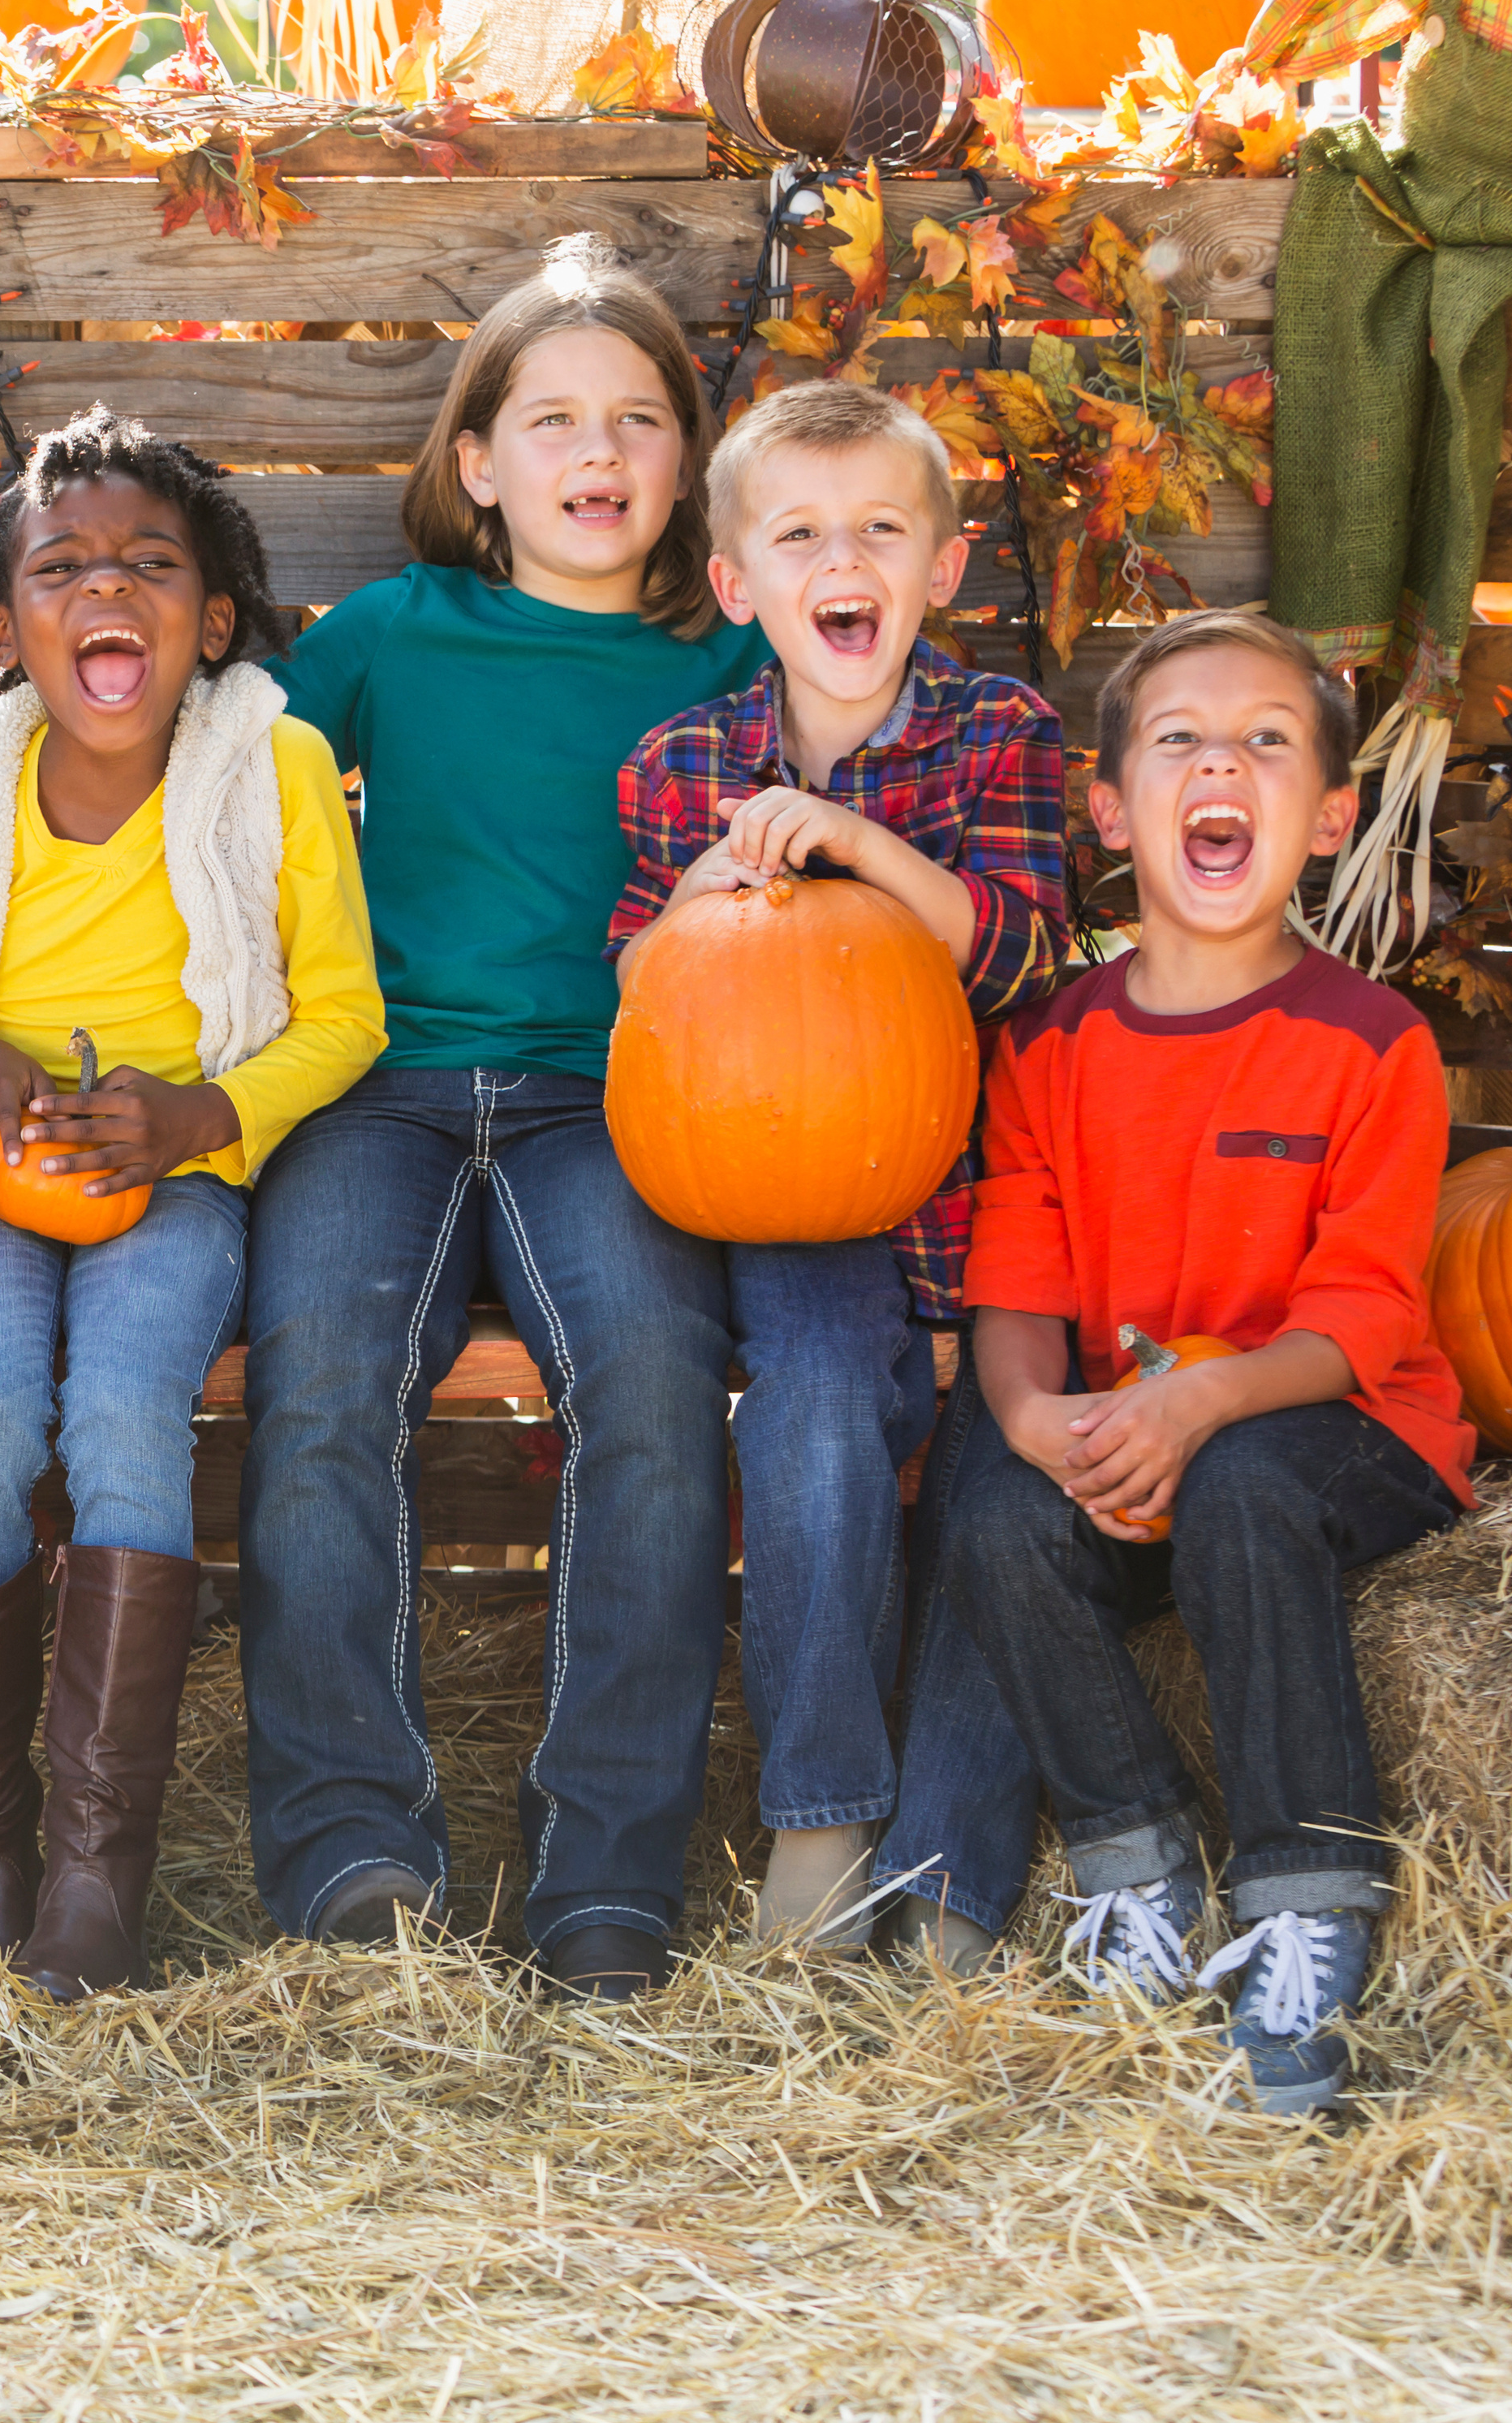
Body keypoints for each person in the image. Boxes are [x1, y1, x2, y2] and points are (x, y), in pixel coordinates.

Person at [245, 241, 768, 1999]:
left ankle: (606, 1867)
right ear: (477, 463)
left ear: (688, 467)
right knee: (319, 1389)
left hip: (606, 1100)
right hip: (377, 1089)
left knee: (654, 1394)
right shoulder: (392, 631)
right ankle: (349, 1839)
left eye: (637, 420)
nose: (595, 450)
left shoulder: (728, 659)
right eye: (552, 419)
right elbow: (236, 818)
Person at [944, 610, 1472, 2115]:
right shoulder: (1047, 1048)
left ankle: (1310, 1895)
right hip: (1143, 1422)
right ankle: (1135, 1861)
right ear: (1111, 810)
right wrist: (1045, 1427)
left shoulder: (1373, 1044)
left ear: (1329, 814)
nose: (1220, 764)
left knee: (1239, 1483)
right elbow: (1019, 1282)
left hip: (1336, 1430)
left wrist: (1197, 1402)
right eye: (1178, 739)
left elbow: (1365, 1315)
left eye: (1267, 740)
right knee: (992, 1515)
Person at [0, 407, 384, 1998]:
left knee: (119, 1418)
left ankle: (99, 1874)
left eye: (149, 566)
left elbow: (343, 1014)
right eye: (62, 568)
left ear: (214, 617)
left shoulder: (273, 763)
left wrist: (197, 1117)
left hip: (175, 1176)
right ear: (6, 620)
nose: (107, 591)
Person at [602, 380, 1071, 1951]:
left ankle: (949, 1873)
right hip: (802, 1206)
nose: (842, 559)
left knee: (1006, 1506)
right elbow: (644, 1000)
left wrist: (858, 845)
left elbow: (1017, 954)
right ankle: (821, 1818)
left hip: (991, 1204)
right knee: (807, 1412)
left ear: (944, 566)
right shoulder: (684, 767)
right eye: (799, 534)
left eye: (882, 527)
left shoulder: (996, 733)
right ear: (738, 583)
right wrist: (705, 909)